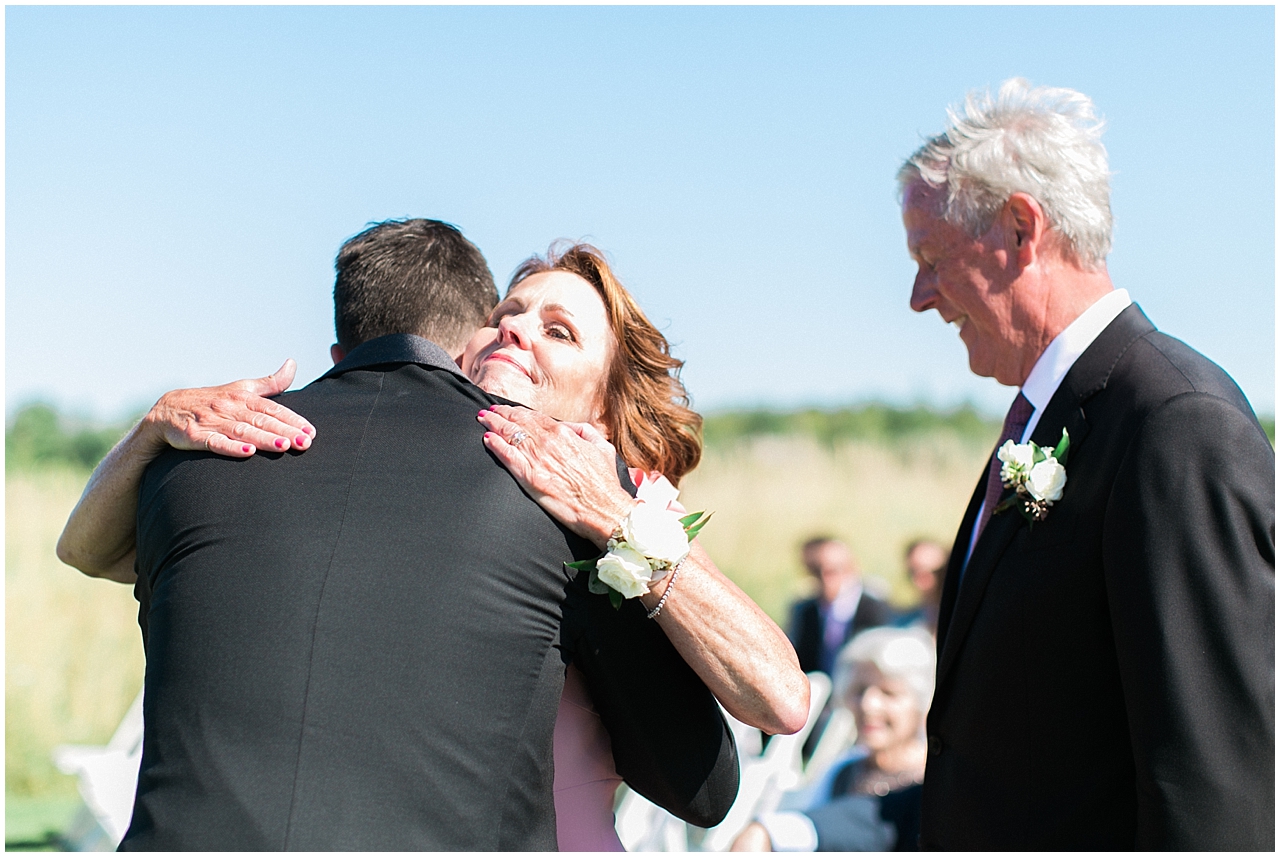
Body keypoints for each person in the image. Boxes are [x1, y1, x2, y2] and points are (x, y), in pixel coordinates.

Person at [58, 222, 808, 849]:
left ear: (603, 409)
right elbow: (98, 552)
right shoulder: (394, 477)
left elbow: (771, 709)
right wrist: (152, 428)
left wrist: (613, 517)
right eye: (507, 313)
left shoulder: (626, 513)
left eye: (558, 331)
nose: (517, 328)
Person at [900, 79, 1274, 849]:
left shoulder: (1174, 423)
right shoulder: (1051, 417)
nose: (919, 295)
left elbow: (1212, 780)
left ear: (1020, 228)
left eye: (931, 257)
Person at [730, 627, 933, 852]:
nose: (868, 705)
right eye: (860, 690)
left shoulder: (932, 780)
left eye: (888, 693)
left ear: (921, 703)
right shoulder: (843, 770)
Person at [787, 538, 894, 677]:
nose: (825, 579)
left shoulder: (874, 608)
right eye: (817, 571)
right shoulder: (806, 611)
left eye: (832, 571)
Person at [894, 539, 947, 635]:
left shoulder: (960, 614)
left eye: (936, 572)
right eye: (914, 572)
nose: (920, 580)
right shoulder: (906, 624)